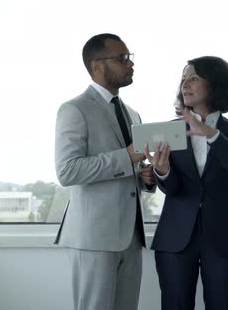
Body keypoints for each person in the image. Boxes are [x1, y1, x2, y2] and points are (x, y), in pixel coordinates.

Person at [144, 56, 228, 310]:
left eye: (193, 77)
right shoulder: (168, 131)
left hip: (225, 238)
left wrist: (212, 135)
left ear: (215, 84)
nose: (185, 84)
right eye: (183, 78)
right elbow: (172, 189)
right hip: (175, 239)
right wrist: (163, 171)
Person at [54, 33, 155, 310]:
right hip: (94, 236)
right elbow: (67, 171)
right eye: (122, 58)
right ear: (97, 65)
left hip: (132, 237)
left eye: (130, 57)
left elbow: (129, 166)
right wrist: (127, 157)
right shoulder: (75, 109)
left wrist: (144, 175)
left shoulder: (133, 114)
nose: (130, 64)